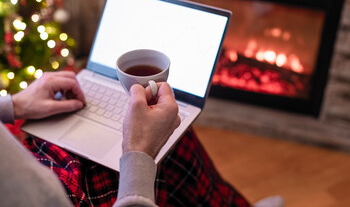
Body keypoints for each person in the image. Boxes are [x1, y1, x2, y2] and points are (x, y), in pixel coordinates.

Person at [0, 71, 283, 207]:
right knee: (164, 138)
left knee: (171, 131)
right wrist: (139, 152)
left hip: (36, 167)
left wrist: (14, 105)